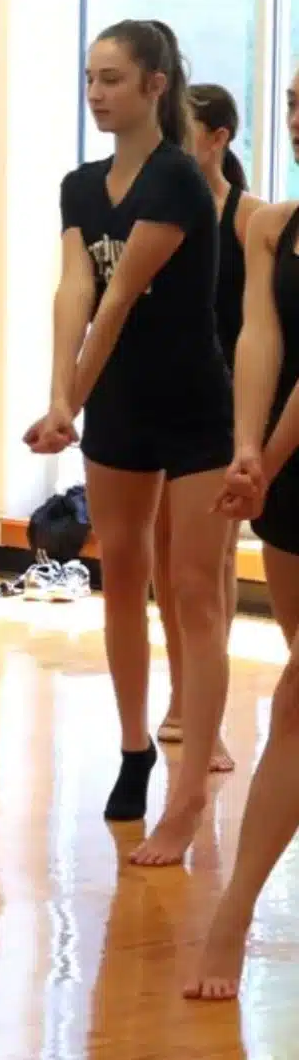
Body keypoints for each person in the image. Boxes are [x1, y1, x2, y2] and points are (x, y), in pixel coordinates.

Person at [24, 19, 234, 867]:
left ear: (156, 85)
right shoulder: (80, 186)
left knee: (194, 589)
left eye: (113, 77)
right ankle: (134, 746)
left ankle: (189, 790)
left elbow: (119, 303)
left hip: (193, 410)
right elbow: (76, 287)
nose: (97, 91)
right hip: (119, 411)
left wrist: (67, 400)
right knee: (121, 581)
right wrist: (57, 397)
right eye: (90, 77)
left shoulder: (178, 180)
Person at [189, 66, 299, 1001]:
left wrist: (264, 454)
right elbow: (259, 339)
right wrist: (244, 448)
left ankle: (230, 922)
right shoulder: (273, 226)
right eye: (295, 106)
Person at [152, 82, 261, 770]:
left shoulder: (251, 218)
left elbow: (261, 324)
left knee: (213, 561)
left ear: (217, 137)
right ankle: (179, 694)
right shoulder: (163, 210)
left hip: (229, 402)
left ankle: (208, 719)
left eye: (184, 128)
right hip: (171, 394)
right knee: (167, 555)